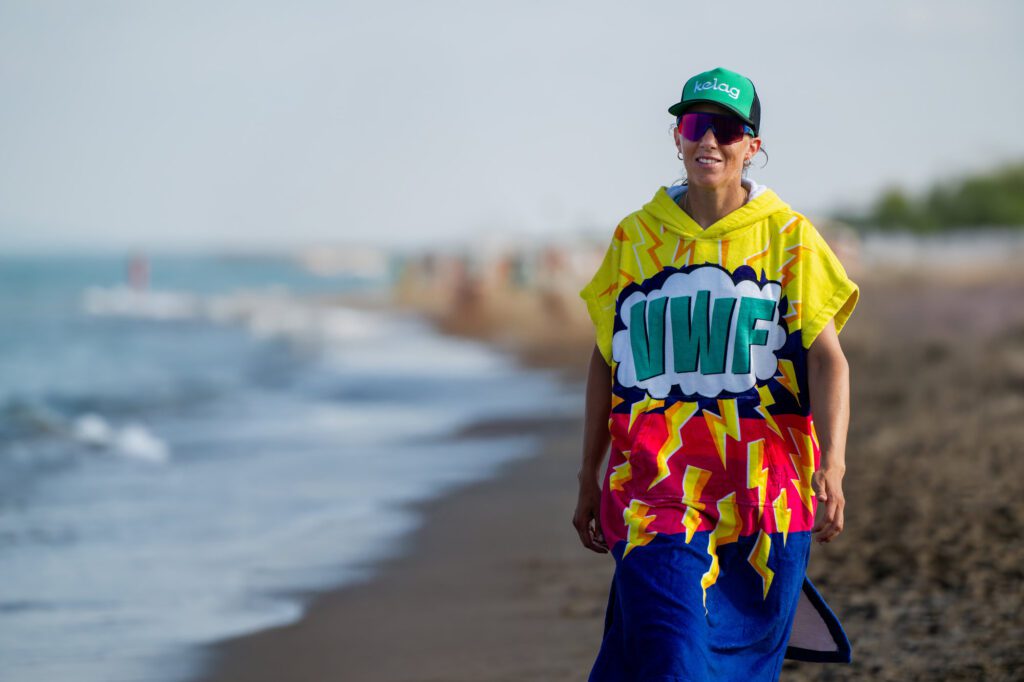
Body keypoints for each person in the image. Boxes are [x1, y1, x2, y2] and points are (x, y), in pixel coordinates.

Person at [573, 67, 858, 681]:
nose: (709, 141)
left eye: (727, 129)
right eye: (695, 124)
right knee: (673, 656)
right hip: (655, 489)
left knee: (740, 669)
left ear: (752, 145)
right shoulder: (637, 237)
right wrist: (587, 473)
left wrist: (832, 464)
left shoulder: (790, 238)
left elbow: (827, 357)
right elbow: (606, 355)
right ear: (677, 136)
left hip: (766, 493)